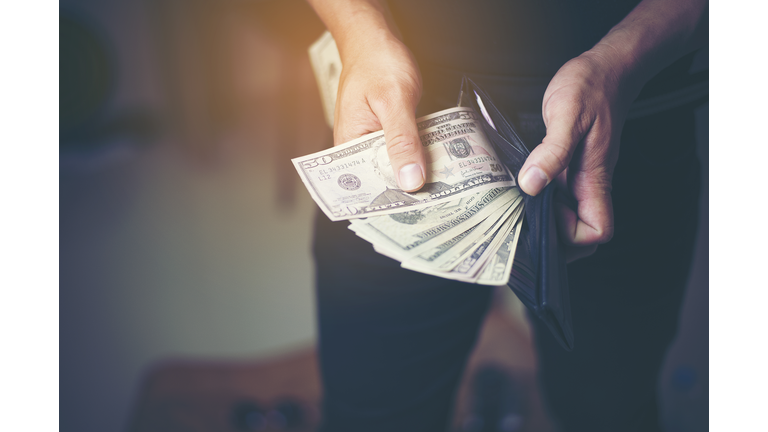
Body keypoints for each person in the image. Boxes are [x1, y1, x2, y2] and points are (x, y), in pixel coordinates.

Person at [305, 1, 708, 431]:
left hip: (623, 127)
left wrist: (624, 58)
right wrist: (360, 31)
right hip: (402, 117)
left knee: (607, 409)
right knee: (374, 412)